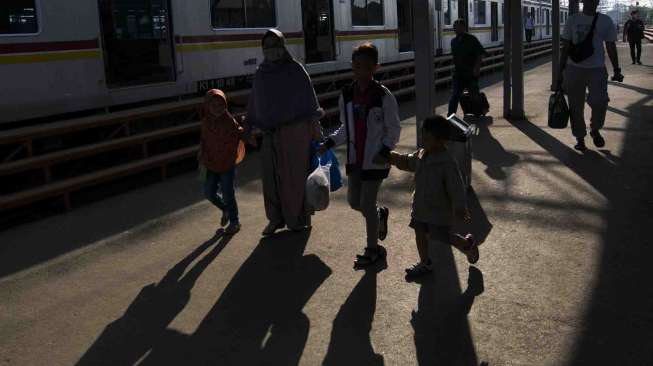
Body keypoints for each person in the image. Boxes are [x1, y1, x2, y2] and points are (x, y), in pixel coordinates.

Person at [320, 43, 401, 268]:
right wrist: (330, 142)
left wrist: (385, 150)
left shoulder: (383, 95)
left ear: (375, 67)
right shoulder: (346, 94)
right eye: (356, 66)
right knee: (354, 202)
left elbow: (394, 128)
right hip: (356, 159)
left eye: (366, 67)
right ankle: (379, 215)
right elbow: (345, 127)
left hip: (376, 159)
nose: (360, 71)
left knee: (365, 204)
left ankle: (373, 250)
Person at [378, 116, 479, 279]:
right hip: (420, 208)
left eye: (427, 138)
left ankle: (467, 244)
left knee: (441, 236)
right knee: (419, 233)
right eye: (422, 136)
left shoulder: (447, 163)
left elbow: (456, 188)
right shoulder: (421, 155)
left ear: (441, 141)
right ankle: (425, 262)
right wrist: (392, 156)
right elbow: (406, 161)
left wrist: (460, 208)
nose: (423, 140)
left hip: (438, 212)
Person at [246, 29, 324, 235]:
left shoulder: (296, 70)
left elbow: (310, 103)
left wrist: (317, 136)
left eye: (276, 45)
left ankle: (298, 218)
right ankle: (275, 218)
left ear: (283, 46)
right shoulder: (261, 74)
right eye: (267, 46)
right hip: (270, 134)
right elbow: (254, 104)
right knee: (270, 179)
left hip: (295, 133)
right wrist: (248, 127)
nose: (272, 50)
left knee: (294, 179)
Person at [559, 0, 622, 151]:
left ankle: (595, 129)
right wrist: (559, 73)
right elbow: (565, 47)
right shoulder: (572, 20)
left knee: (600, 101)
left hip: (597, 69)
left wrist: (616, 69)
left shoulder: (605, 20)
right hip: (574, 68)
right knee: (575, 106)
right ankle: (580, 138)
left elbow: (611, 46)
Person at [199, 89, 245, 235]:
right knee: (209, 193)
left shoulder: (229, 121)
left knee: (228, 193)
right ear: (207, 106)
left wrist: (244, 128)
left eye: (221, 105)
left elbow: (239, 132)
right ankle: (225, 209)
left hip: (227, 163)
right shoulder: (206, 122)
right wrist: (201, 155)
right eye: (214, 105)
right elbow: (204, 141)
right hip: (210, 163)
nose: (217, 108)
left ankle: (234, 221)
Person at [448, 19, 487, 117]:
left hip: (470, 73)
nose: (454, 29)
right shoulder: (453, 41)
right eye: (454, 26)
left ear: (463, 27)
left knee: (474, 94)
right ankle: (450, 116)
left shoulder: (471, 39)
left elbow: (480, 54)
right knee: (455, 95)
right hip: (458, 74)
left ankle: (479, 111)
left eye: (456, 26)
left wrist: (477, 68)